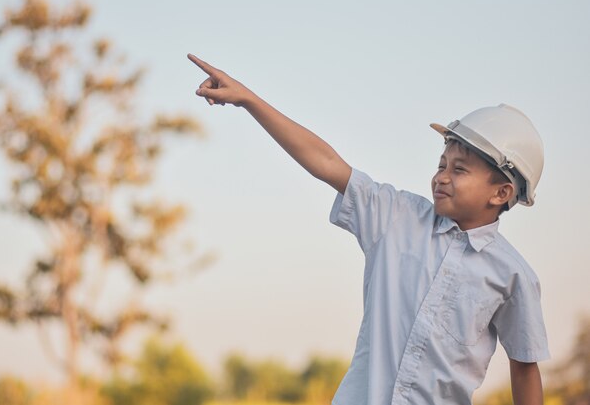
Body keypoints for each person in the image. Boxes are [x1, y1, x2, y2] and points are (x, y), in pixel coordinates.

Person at [188, 53, 549, 405]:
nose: (441, 176)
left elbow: (524, 367)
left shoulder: (513, 274)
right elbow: (327, 162)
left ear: (501, 192)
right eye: (441, 164)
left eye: (459, 170)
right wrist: (249, 100)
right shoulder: (396, 217)